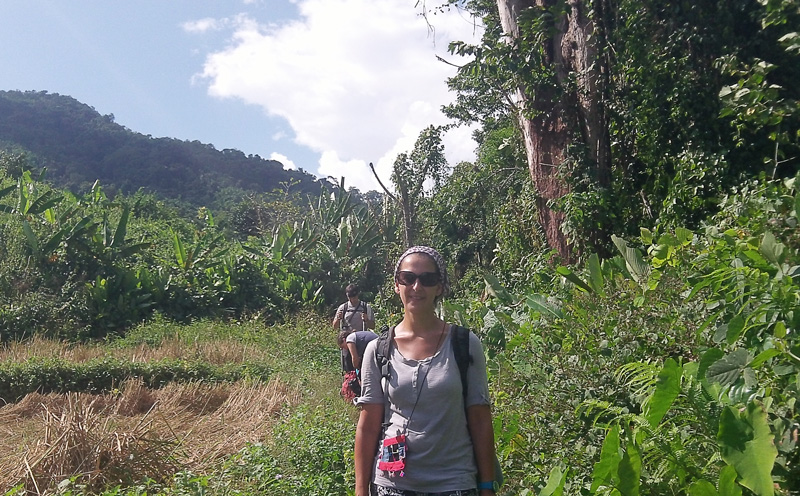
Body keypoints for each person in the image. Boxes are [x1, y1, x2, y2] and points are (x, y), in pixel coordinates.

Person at [355, 246, 497, 496]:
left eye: (428, 279)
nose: (416, 287)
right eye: (408, 278)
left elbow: (480, 419)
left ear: (439, 287)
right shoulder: (378, 349)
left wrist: (486, 486)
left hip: (455, 483)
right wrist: (360, 489)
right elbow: (368, 426)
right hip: (392, 485)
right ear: (397, 284)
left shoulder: (464, 343)